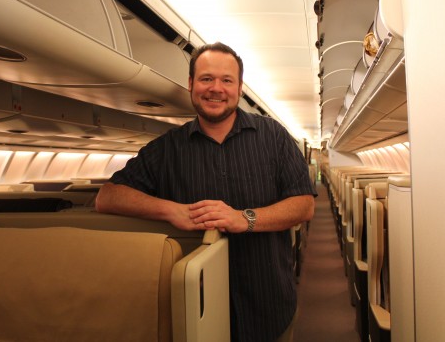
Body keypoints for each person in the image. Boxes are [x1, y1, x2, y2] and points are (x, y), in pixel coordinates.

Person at [95, 42, 317, 342]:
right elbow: (108, 196)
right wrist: (171, 210)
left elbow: (304, 205)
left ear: (239, 88)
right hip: (193, 314)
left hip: (268, 307)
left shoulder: (273, 137)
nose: (216, 89)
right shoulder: (168, 148)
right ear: (191, 84)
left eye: (227, 80)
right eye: (206, 79)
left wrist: (245, 218)